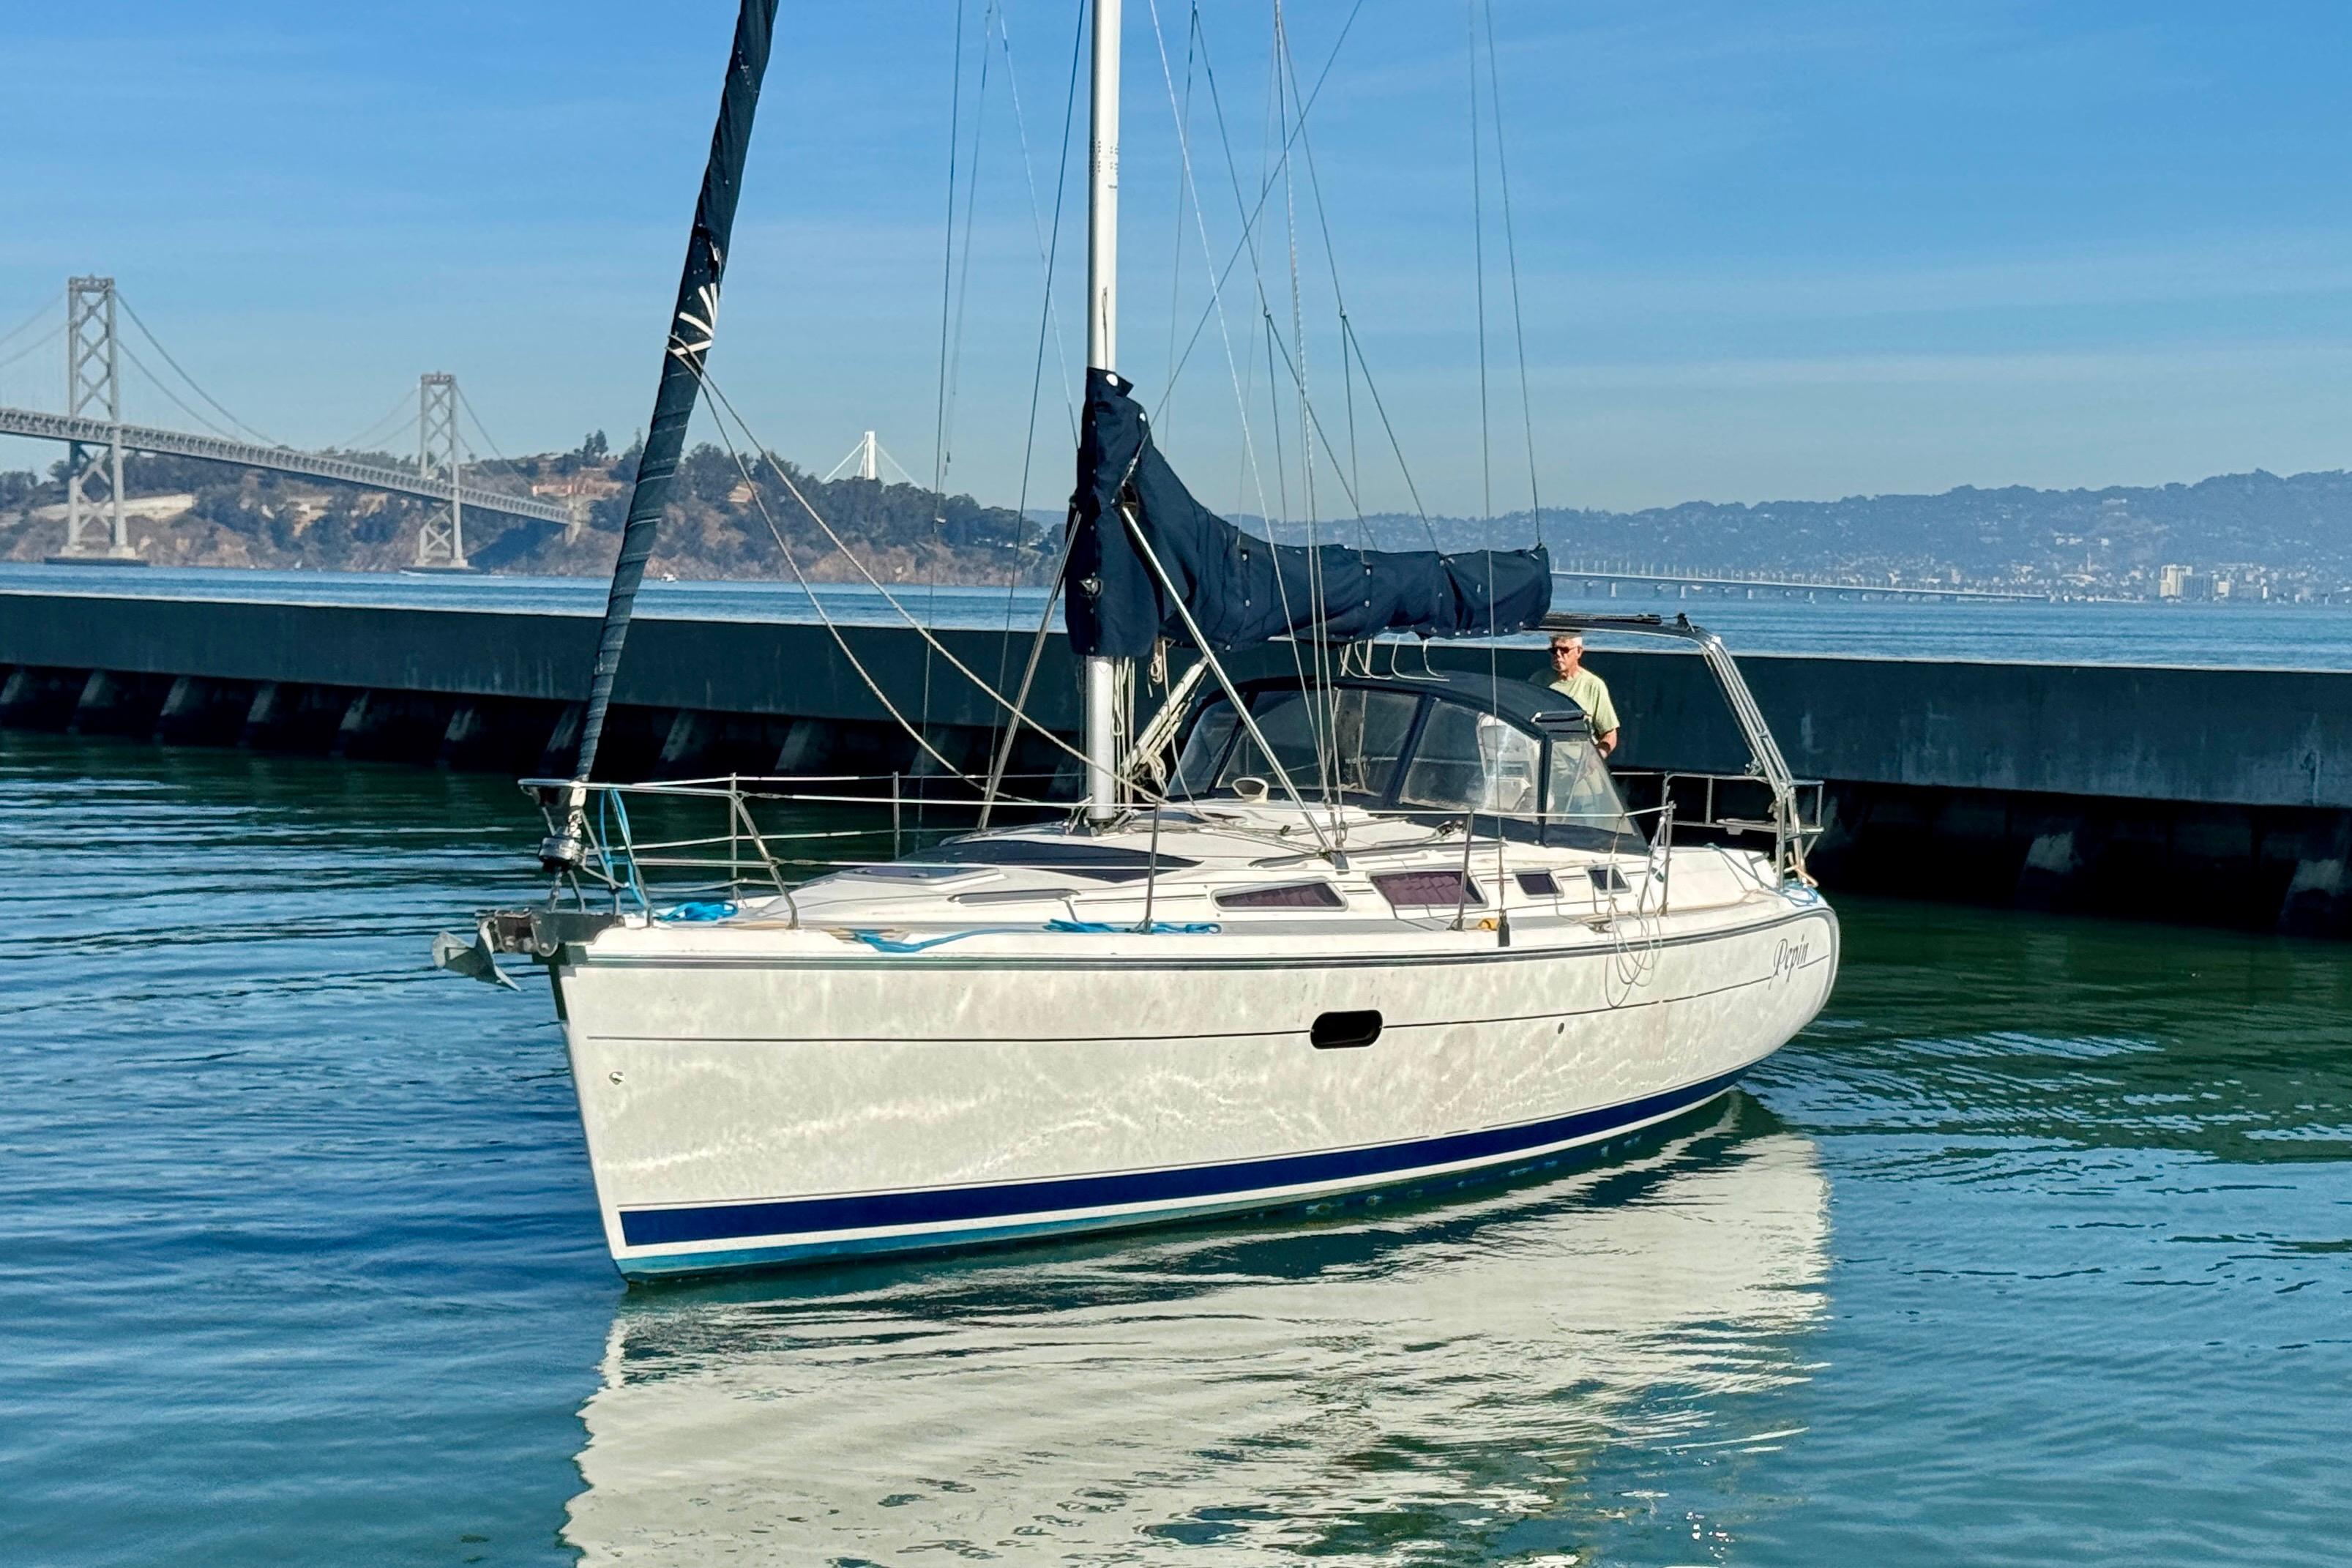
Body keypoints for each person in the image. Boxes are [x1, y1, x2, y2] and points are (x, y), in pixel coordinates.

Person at [1529, 632, 1620, 756]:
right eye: (1554, 650)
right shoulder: (1538, 681)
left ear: (1579, 651)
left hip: (1581, 767)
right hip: (1545, 764)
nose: (1558, 655)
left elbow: (1610, 734)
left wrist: (1596, 759)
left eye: (1564, 650)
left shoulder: (1593, 685)